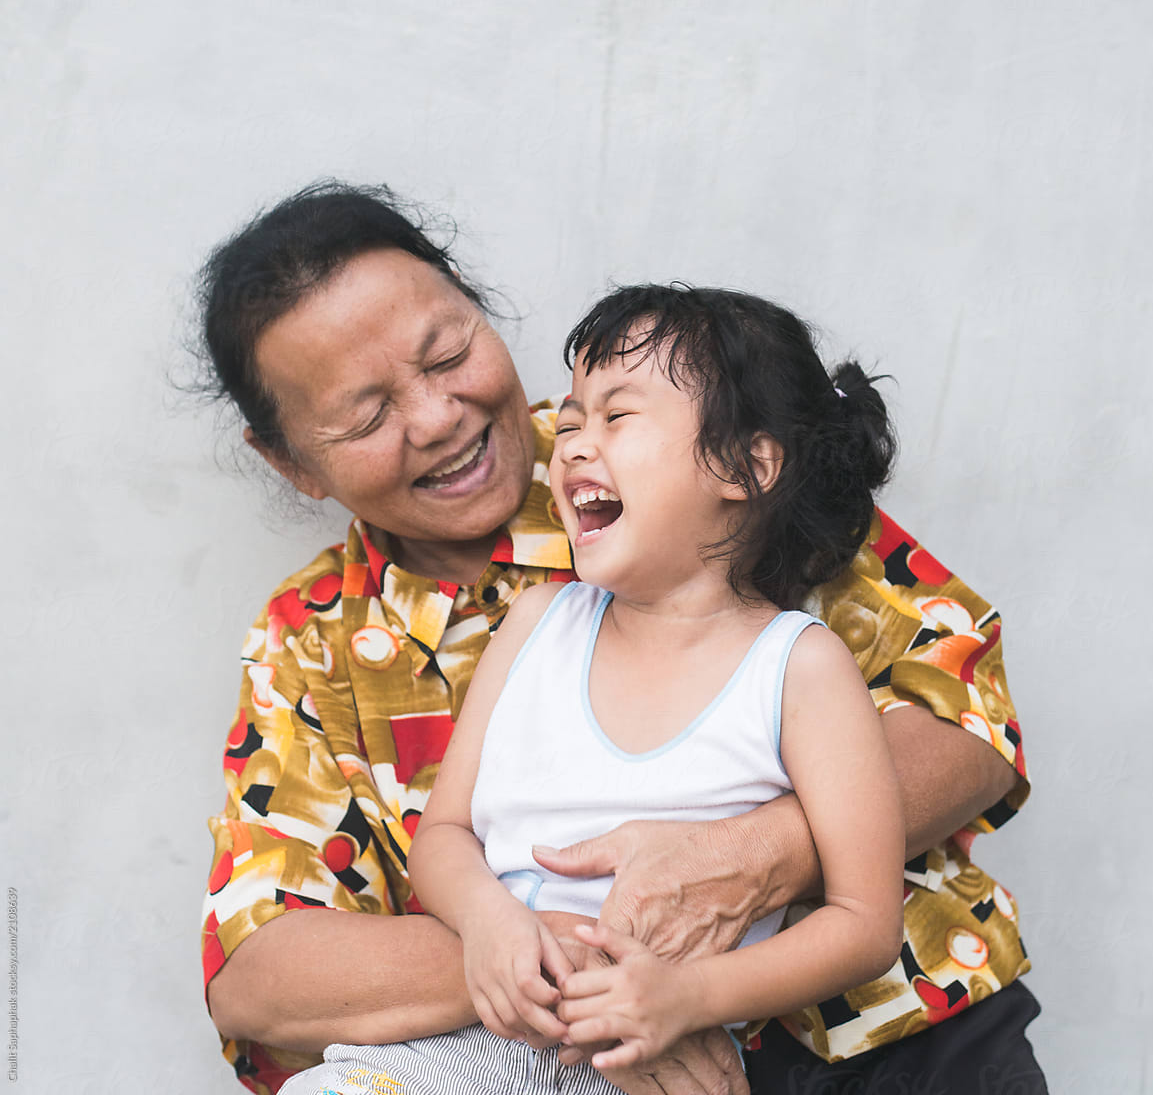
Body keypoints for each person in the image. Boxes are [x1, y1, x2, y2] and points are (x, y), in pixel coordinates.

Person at [198, 181, 1042, 1095]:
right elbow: (258, 970)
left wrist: (752, 857)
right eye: (366, 416)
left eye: (449, 354)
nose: (438, 417)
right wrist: (577, 974)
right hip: (554, 1055)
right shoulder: (312, 638)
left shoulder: (676, 445)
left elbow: (962, 708)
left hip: (891, 1035)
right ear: (289, 461)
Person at [275, 283, 908, 1095]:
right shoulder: (539, 623)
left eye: (616, 417)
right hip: (470, 1041)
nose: (571, 444)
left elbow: (864, 925)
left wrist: (688, 996)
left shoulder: (799, 668)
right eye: (571, 418)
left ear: (747, 466)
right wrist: (488, 925)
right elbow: (445, 836)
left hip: (653, 1068)